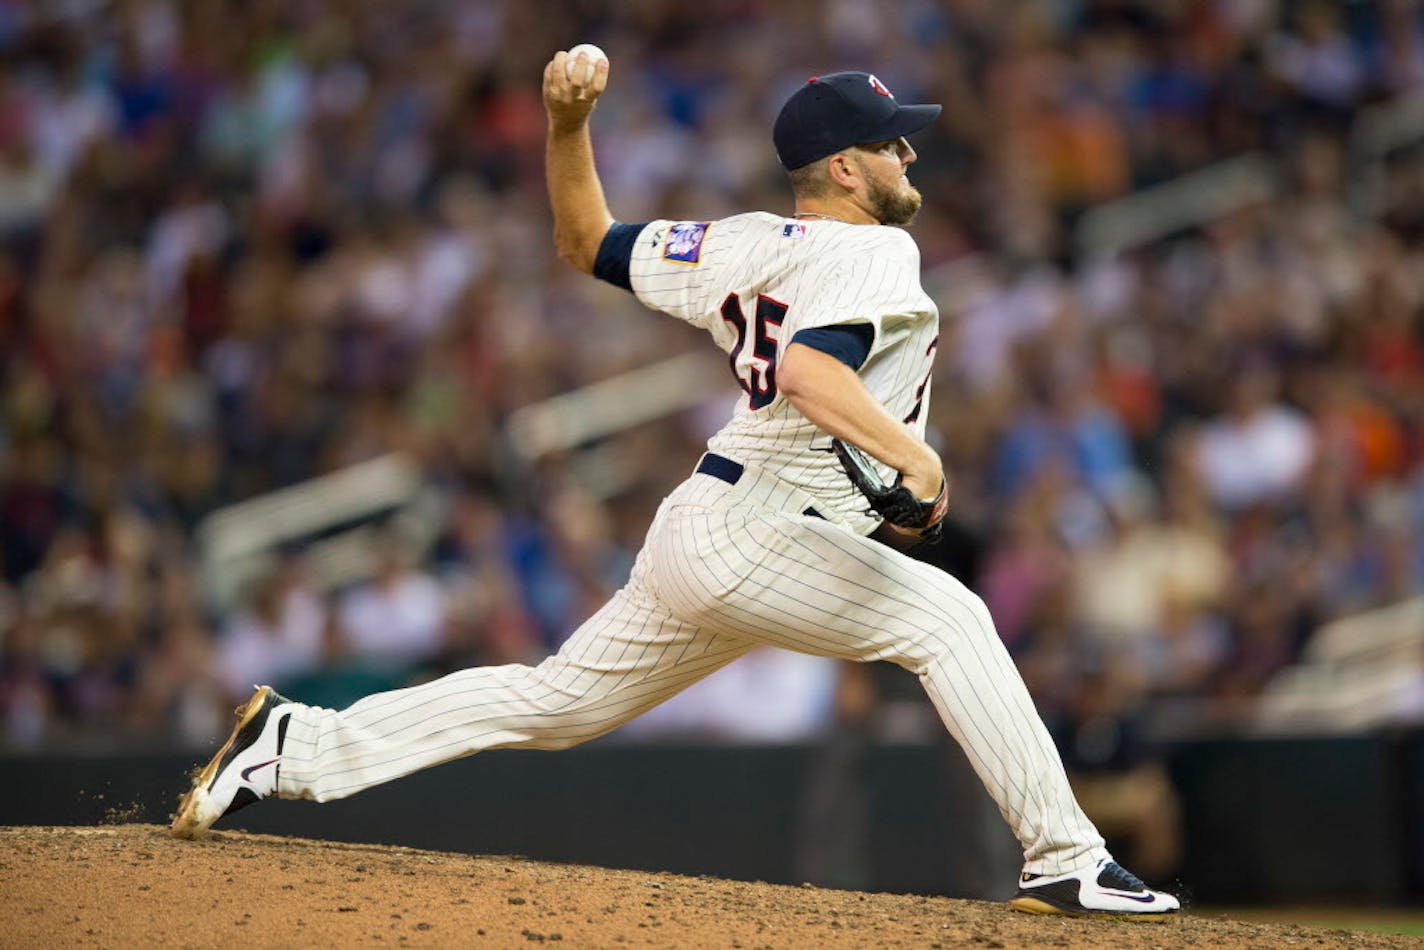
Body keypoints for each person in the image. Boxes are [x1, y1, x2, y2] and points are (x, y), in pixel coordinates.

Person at [171, 50, 1179, 918]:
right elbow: (808, 371)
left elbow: (585, 240)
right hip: (757, 531)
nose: (905, 154)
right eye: (889, 142)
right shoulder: (882, 252)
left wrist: (568, 125)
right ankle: (1067, 858)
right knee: (948, 621)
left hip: (711, 525)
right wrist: (917, 458)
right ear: (842, 165)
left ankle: (293, 746)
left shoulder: (741, 242)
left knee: (555, 702)